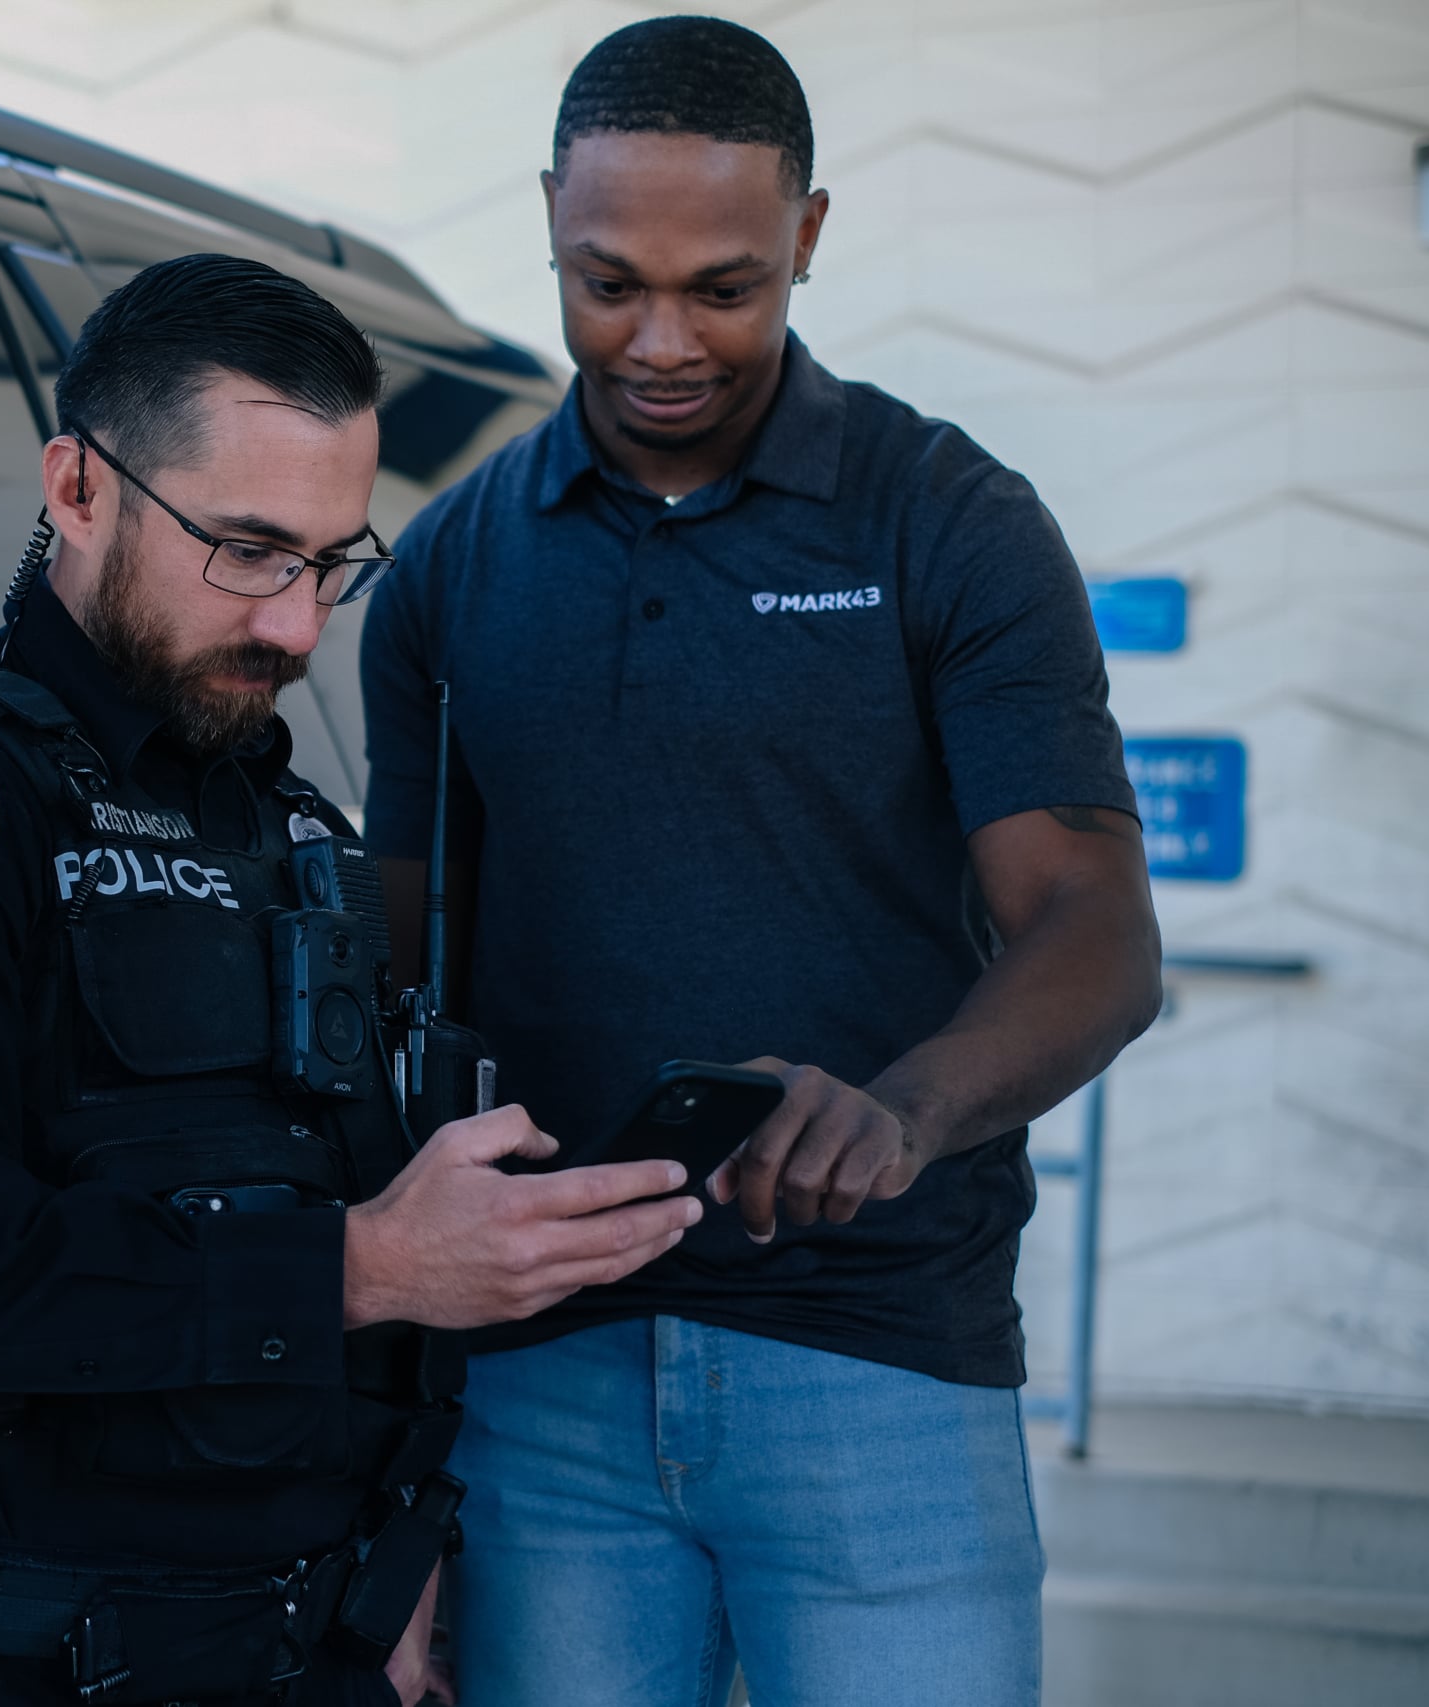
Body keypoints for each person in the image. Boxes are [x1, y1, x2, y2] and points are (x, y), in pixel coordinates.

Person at [0, 253, 705, 1707]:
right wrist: (365, 1266)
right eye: (248, 551)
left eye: (331, 563)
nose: (299, 627)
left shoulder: (286, 821)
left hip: (320, 1636)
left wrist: (396, 1554)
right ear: (78, 488)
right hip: (44, 1652)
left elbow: (336, 1203)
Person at [359, 18, 1164, 1707]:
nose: (661, 342)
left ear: (807, 234)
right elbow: (397, 994)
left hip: (881, 1365)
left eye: (725, 288)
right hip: (542, 1383)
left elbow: (1093, 924)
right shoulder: (446, 570)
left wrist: (905, 1111)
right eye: (607, 284)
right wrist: (383, 1446)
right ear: (550, 221)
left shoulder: (951, 521)